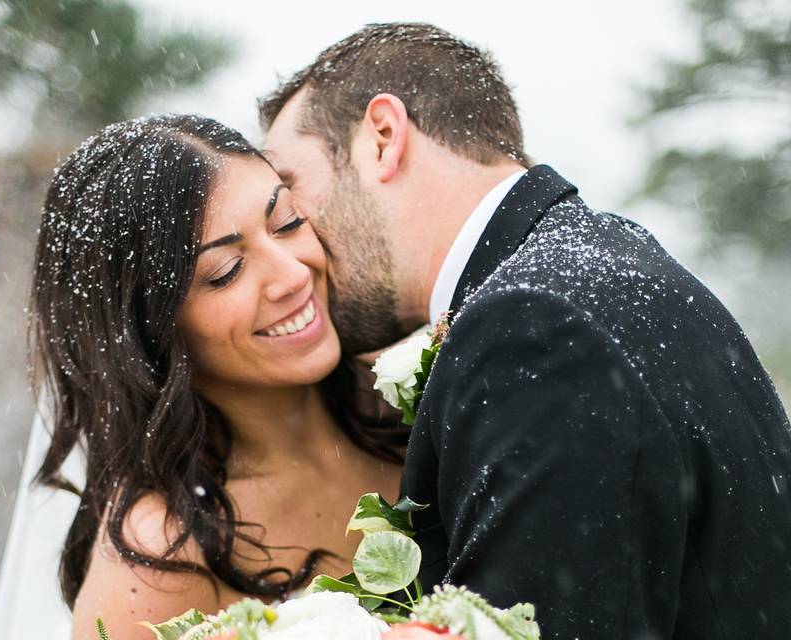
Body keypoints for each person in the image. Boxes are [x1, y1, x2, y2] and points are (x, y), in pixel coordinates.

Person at [259, 22, 791, 639]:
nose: (299, 248)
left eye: (290, 193)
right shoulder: (599, 260)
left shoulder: (534, 328)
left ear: (382, 137)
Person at [26, 115, 409, 639]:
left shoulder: (410, 397)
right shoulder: (159, 563)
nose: (293, 274)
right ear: (149, 330)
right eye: (226, 270)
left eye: (287, 222)